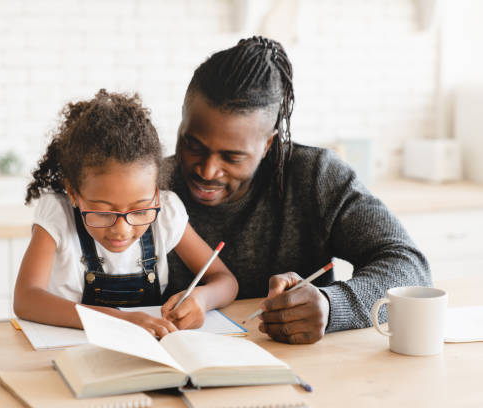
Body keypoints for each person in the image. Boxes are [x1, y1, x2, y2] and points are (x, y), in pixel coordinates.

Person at [162, 36, 432, 344]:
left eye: (232, 157)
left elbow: (409, 267)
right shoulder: (151, 186)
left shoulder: (314, 176)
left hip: (303, 369)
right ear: (182, 120)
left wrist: (332, 305)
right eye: (192, 145)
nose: (207, 170)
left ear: (267, 145)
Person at [14, 90, 238, 338]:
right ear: (73, 192)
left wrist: (202, 300)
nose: (122, 229)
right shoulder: (58, 214)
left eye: (140, 209)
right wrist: (121, 320)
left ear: (155, 192)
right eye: (103, 211)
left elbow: (225, 280)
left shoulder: (166, 212)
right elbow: (27, 299)